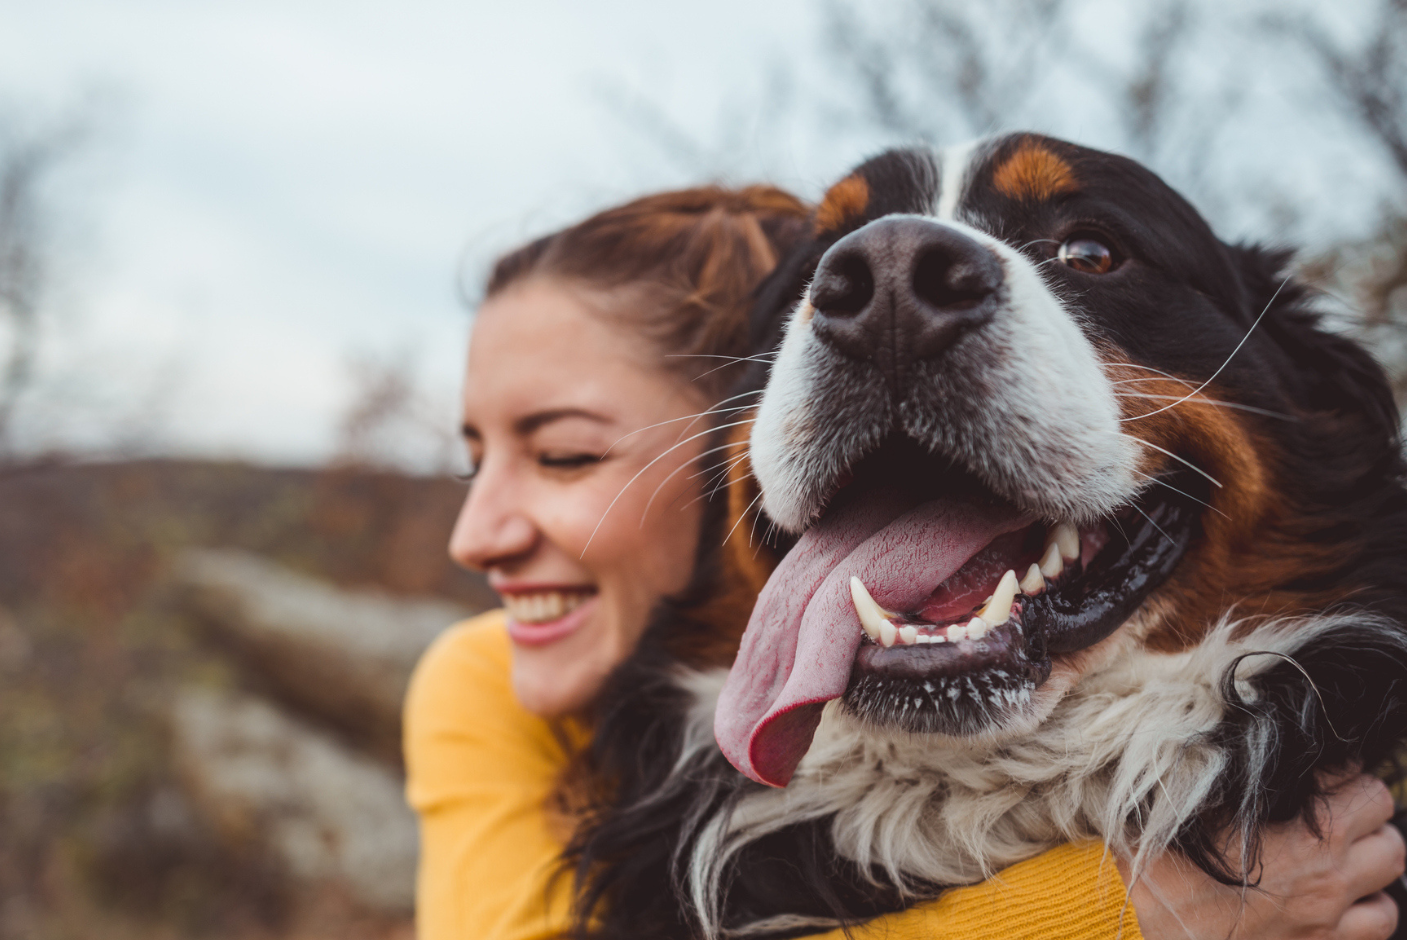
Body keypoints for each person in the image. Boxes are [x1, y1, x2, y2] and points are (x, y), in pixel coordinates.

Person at [404, 186, 1406, 940]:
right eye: (471, 458)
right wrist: (1128, 911)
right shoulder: (480, 678)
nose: (473, 534)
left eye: (567, 454)